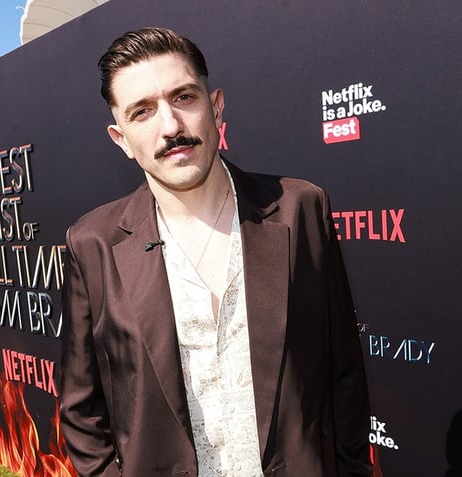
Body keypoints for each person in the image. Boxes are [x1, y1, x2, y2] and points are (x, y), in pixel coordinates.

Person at [59, 27, 372, 477]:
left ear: (216, 106)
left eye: (184, 97)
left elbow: (345, 373)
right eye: (142, 112)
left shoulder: (300, 208)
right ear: (121, 138)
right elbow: (80, 407)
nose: (170, 127)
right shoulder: (93, 242)